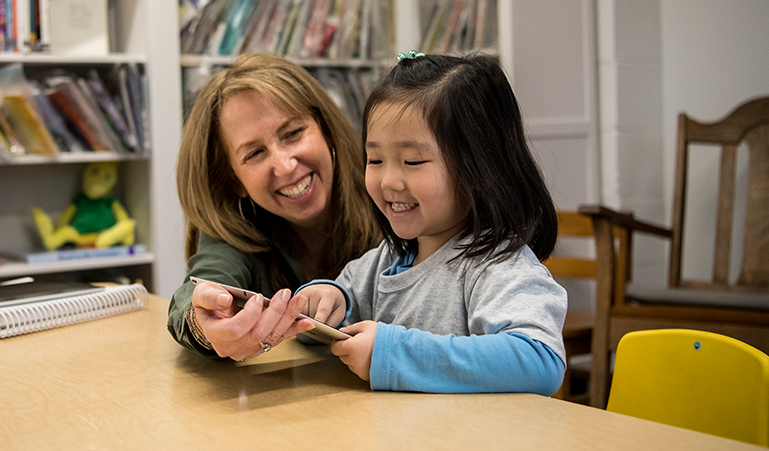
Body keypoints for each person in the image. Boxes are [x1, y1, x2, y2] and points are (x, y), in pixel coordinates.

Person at [297, 52, 567, 394]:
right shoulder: (385, 262)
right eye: (375, 159)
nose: (388, 181)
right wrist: (320, 302)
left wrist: (394, 355)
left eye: (413, 161)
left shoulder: (496, 267)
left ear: (480, 169)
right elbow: (341, 309)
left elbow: (539, 360)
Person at [167, 53, 381, 361]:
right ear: (233, 180)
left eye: (293, 134)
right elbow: (198, 291)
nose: (284, 166)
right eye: (254, 153)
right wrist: (204, 325)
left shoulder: (388, 190)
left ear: (326, 129)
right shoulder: (237, 219)